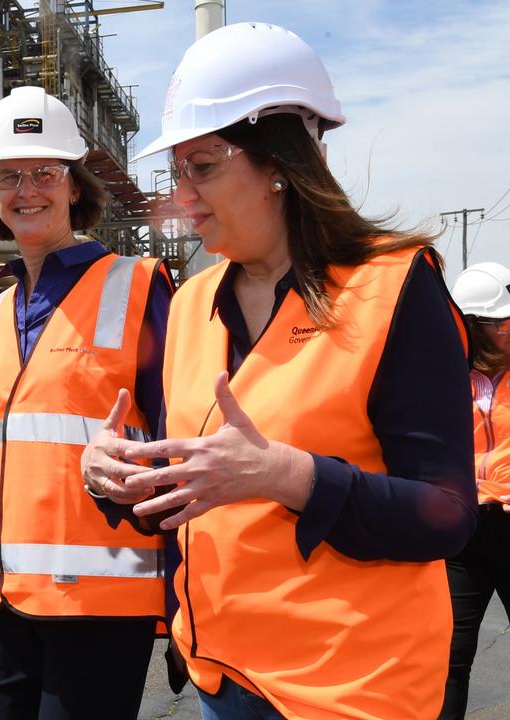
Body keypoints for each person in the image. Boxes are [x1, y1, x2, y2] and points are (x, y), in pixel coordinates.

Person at [86, 22, 478, 720]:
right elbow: (189, 498)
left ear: (278, 162)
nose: (183, 198)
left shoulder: (393, 286)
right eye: (175, 173)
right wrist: (120, 481)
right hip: (222, 678)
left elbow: (444, 516)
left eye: (202, 167)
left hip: (351, 692)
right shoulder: (193, 303)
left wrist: (286, 476)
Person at [0, 85, 175, 720]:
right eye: (8, 175)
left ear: (76, 185)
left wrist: (185, 593)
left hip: (98, 607)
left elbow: (180, 439)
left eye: (45, 172)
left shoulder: (139, 288)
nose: (26, 190)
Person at [441, 262, 510, 719]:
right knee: (448, 659)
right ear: (472, 326)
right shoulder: (441, 378)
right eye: (501, 322)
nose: (509, 329)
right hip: (462, 529)